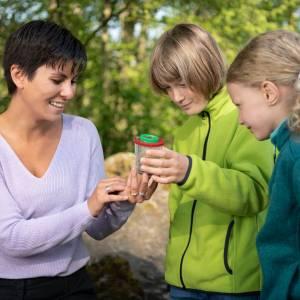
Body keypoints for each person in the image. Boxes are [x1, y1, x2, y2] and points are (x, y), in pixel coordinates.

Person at [0, 20, 148, 300]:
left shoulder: (83, 132)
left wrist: (124, 201)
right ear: (19, 75)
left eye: (73, 81)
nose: (69, 92)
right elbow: (11, 238)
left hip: (76, 286)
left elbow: (97, 228)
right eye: (58, 80)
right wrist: (89, 206)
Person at [140, 23, 274, 299]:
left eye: (182, 83)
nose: (175, 97)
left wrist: (189, 171)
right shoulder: (185, 130)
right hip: (182, 284)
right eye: (167, 88)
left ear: (206, 68)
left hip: (234, 287)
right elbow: (185, 207)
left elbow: (255, 193)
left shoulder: (245, 117)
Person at [226, 29, 300, 300]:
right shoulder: (289, 148)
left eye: (239, 104)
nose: (239, 119)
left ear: (268, 92)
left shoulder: (295, 152)